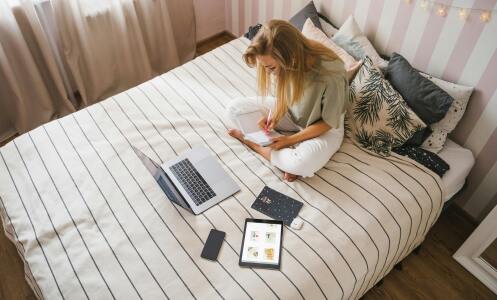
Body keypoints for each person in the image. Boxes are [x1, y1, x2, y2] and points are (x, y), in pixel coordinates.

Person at [227, 19, 348, 182]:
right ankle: (281, 156)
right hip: (293, 113)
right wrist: (274, 116)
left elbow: (328, 123)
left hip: (323, 127)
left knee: (302, 164)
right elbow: (285, 94)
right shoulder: (292, 56)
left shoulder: (331, 72)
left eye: (270, 68)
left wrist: (289, 140)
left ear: (289, 58)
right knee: (234, 108)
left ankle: (252, 143)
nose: (268, 73)